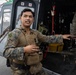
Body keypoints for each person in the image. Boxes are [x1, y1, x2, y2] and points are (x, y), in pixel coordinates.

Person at [3, 8, 71, 75]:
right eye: (25, 16)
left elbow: (47, 38)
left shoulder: (35, 33)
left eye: (30, 17)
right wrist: (24, 50)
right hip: (21, 70)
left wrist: (61, 37)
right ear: (21, 18)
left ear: (33, 19)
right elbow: (6, 52)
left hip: (36, 67)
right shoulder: (14, 34)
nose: (28, 18)